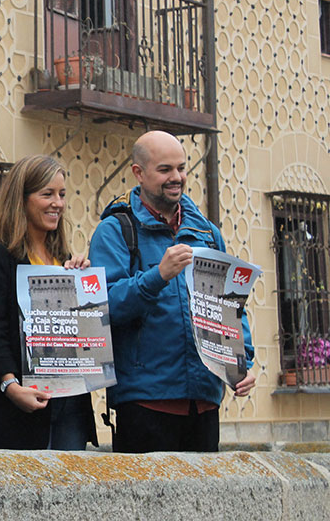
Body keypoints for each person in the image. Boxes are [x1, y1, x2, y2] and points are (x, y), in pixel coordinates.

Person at [88, 131, 255, 453]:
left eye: (181, 168)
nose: (176, 177)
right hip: (145, 401)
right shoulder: (115, 230)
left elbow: (229, 306)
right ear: (139, 172)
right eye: (165, 170)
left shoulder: (207, 233)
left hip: (205, 399)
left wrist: (242, 361)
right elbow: (102, 308)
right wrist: (158, 276)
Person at [0, 155, 96, 450]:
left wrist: (85, 286)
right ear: (22, 199)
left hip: (70, 404)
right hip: (20, 406)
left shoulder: (65, 261)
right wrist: (10, 386)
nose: (58, 203)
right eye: (47, 194)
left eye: (62, 194)